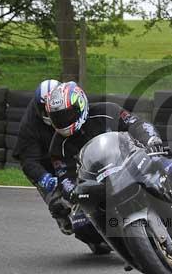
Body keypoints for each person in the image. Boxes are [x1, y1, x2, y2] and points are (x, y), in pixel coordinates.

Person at [44, 81, 172, 234]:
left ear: (80, 105)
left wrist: (150, 139)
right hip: (97, 184)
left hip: (130, 162)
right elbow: (64, 176)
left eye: (66, 114)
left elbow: (136, 124)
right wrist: (72, 190)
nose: (63, 121)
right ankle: (118, 243)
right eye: (57, 117)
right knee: (81, 225)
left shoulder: (107, 110)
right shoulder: (57, 146)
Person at [12, 79, 111, 254]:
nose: (53, 114)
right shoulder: (30, 126)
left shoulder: (73, 110)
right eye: (45, 110)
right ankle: (87, 232)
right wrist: (44, 178)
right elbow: (28, 160)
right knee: (62, 207)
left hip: (75, 159)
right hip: (47, 168)